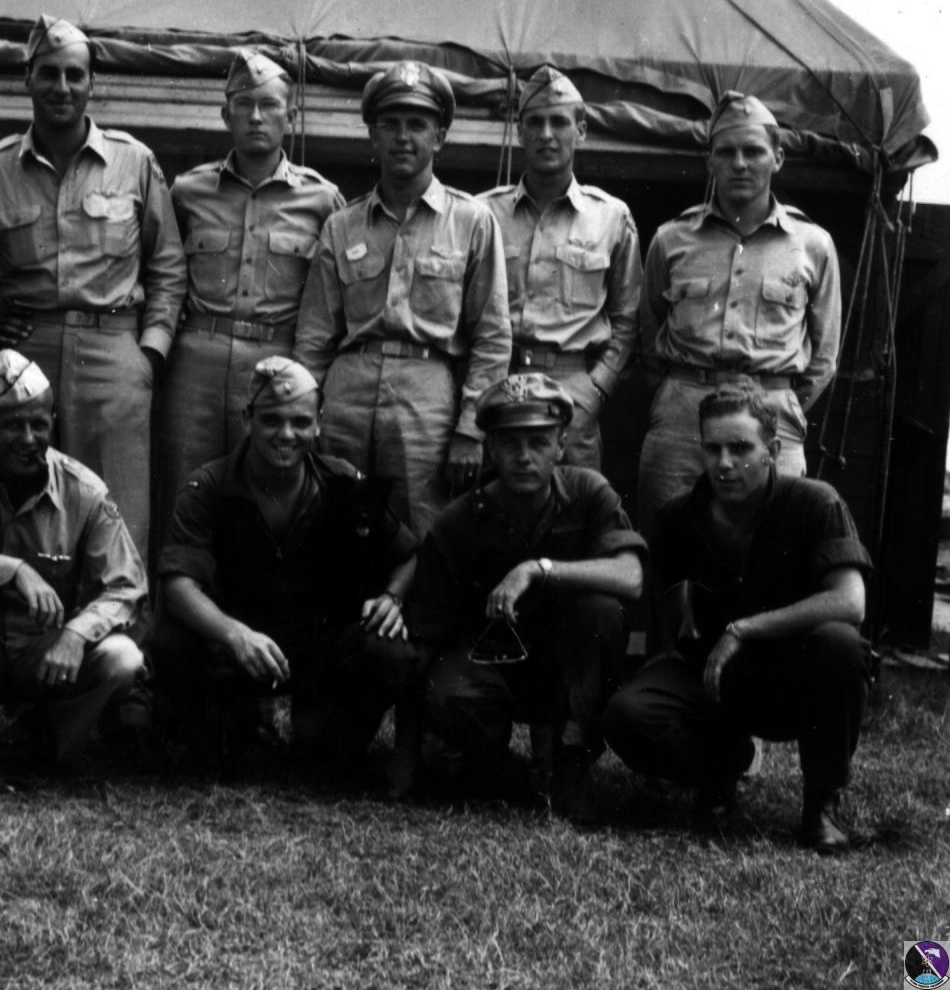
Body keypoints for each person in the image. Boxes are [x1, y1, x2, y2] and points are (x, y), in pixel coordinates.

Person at [604, 378, 873, 853]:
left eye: (740, 448)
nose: (724, 463)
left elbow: (850, 602)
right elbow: (662, 586)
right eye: (713, 449)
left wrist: (744, 629)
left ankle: (822, 805)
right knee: (629, 713)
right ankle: (719, 772)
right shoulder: (680, 515)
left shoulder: (815, 503)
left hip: (795, 676)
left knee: (840, 643)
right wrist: (667, 649)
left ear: (772, 450)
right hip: (717, 678)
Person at [0, 15, 186, 559]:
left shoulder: (134, 162)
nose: (62, 87)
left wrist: (149, 355)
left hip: (114, 356)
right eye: (49, 74)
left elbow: (168, 267)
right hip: (26, 355)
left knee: (116, 509)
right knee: (21, 505)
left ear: (91, 83)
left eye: (74, 75)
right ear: (28, 79)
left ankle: (121, 614)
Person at [157, 357, 422, 779]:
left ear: (319, 424)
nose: (285, 435)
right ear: (247, 419)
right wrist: (234, 634)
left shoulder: (341, 481)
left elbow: (409, 554)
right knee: (174, 641)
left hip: (316, 644)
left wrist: (392, 598)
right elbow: (177, 585)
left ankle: (329, 747)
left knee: (387, 650)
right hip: (242, 644)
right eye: (271, 420)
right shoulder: (208, 485)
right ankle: (226, 732)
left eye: (300, 422)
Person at [0, 349, 148, 778]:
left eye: (39, 424)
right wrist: (12, 570)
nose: (29, 438)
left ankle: (52, 740)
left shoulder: (83, 490)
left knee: (122, 657)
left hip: (45, 651)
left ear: (53, 421)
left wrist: (76, 633)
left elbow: (127, 585)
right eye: (14, 425)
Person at [409, 373, 645, 818]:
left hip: (566, 670)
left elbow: (631, 575)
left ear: (561, 445)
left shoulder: (588, 492)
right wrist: (409, 754)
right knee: (450, 695)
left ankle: (570, 761)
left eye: (538, 442)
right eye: (509, 443)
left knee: (602, 610)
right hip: (492, 671)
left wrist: (538, 570)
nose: (523, 457)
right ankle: (501, 769)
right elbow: (427, 634)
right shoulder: (460, 519)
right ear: (490, 449)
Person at [294, 60, 511, 535]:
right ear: (373, 136)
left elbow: (492, 337)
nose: (403, 137)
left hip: (426, 398)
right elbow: (314, 336)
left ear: (440, 137)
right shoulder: (342, 225)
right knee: (336, 526)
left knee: (423, 528)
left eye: (417, 124)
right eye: (389, 124)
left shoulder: (472, 222)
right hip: (347, 394)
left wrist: (471, 429)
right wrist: (302, 413)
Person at [637, 91, 842, 532]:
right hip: (682, 419)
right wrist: (676, 394)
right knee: (667, 539)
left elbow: (824, 355)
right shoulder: (672, 239)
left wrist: (780, 401)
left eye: (753, 151)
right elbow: (649, 331)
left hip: (772, 416)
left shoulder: (812, 245)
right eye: (726, 152)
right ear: (710, 161)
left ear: (778, 158)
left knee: (775, 541)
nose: (740, 164)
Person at [160, 50, 344, 508]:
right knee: (185, 489)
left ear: (291, 116)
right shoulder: (187, 191)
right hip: (197, 363)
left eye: (269, 105)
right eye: (243, 104)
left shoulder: (323, 201)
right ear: (226, 115)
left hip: (276, 360)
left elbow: (332, 303)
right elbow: (161, 273)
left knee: (265, 496)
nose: (256, 117)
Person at [477, 65, 641, 470]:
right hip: (497, 383)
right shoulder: (483, 213)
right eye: (535, 123)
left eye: (559, 122)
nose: (546, 134)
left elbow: (628, 320)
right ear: (520, 132)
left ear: (580, 131)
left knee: (574, 499)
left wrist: (596, 387)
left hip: (572, 391)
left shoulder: (611, 217)